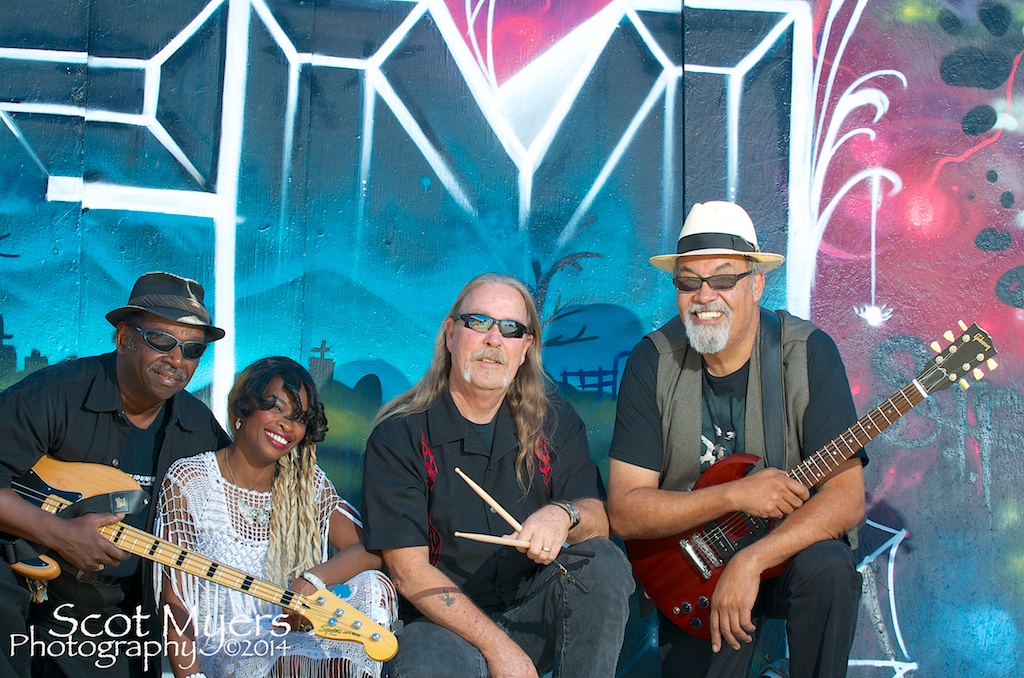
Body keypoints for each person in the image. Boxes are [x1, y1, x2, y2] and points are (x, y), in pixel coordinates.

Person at [607, 201, 867, 678]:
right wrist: (734, 495)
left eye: (724, 279)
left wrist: (751, 561)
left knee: (830, 567)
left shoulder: (807, 353)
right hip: (693, 569)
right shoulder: (654, 361)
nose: (704, 296)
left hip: (784, 556)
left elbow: (846, 499)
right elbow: (625, 510)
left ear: (756, 284)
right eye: (689, 282)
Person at [361, 273, 634, 678]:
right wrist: (500, 649)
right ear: (451, 334)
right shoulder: (400, 435)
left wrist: (563, 515)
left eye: (511, 329)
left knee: (603, 563)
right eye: (478, 322)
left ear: (525, 348)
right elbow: (408, 572)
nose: (493, 339)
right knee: (429, 662)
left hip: (532, 607)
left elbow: (597, 521)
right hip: (442, 623)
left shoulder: (553, 421)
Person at [0, 271, 232, 677]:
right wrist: (58, 533)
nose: (177, 360)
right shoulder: (52, 395)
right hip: (21, 588)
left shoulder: (199, 430)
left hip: (117, 615)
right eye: (161, 341)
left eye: (193, 349)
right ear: (124, 338)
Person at [155, 356, 396, 678]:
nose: (286, 424)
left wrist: (312, 581)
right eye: (276, 408)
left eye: (298, 418)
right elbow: (175, 599)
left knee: (371, 586)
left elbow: (367, 550)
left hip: (291, 641)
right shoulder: (191, 481)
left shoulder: (305, 483)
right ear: (244, 407)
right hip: (227, 649)